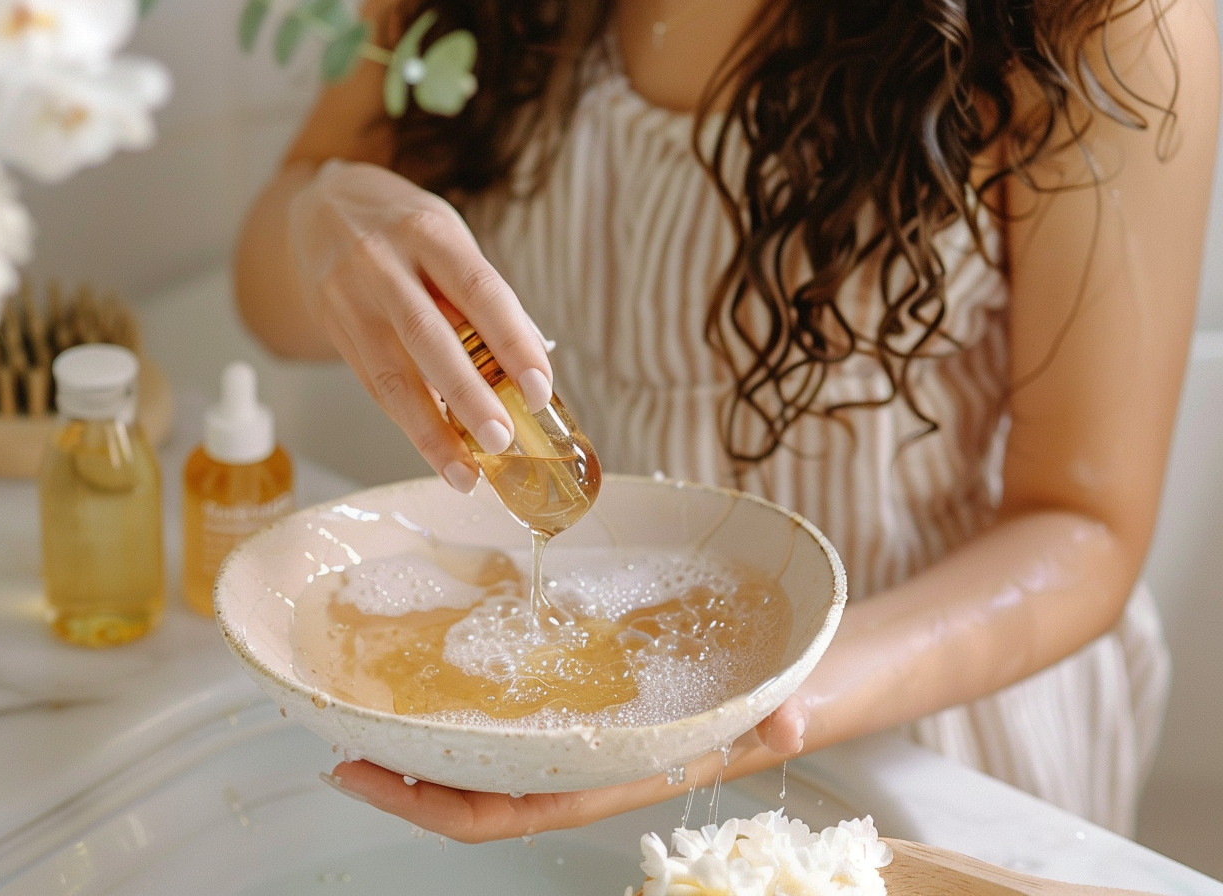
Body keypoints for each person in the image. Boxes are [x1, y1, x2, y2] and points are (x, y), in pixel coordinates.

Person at [234, 0, 1219, 843]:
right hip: (602, 677)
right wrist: (316, 214)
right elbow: (268, 307)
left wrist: (731, 710)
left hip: (919, 713)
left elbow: (1084, 527)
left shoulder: (1094, 23)